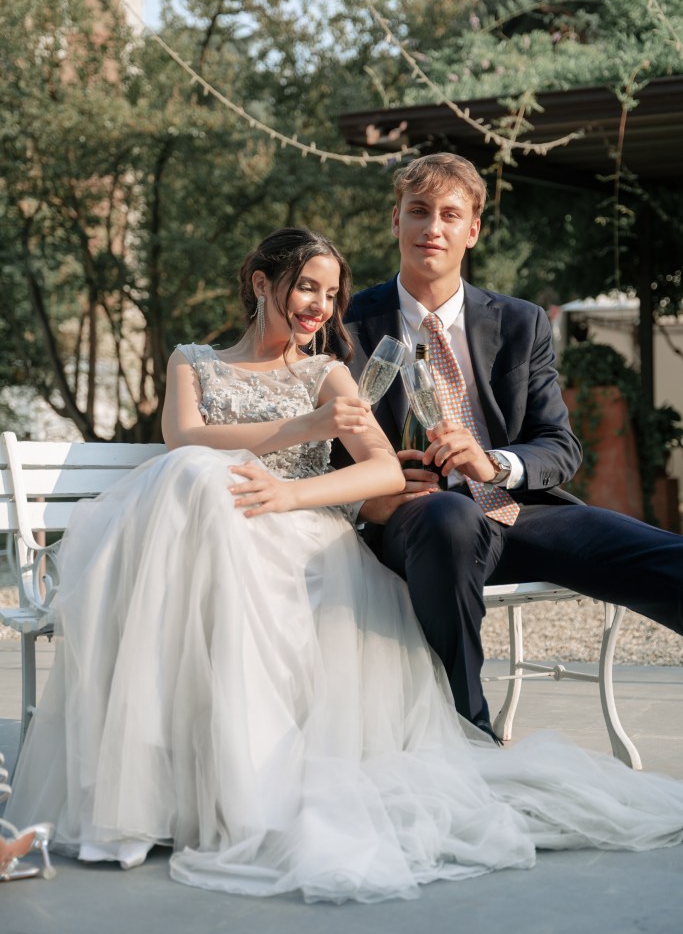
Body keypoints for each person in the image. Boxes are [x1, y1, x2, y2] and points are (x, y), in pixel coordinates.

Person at [6, 226, 683, 905]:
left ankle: (244, 786)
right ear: (261, 284)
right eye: (306, 287)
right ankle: (174, 789)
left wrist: (290, 492)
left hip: (300, 532)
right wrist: (308, 428)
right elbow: (186, 436)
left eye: (331, 294)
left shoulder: (328, 372)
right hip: (209, 538)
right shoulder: (192, 361)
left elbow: (386, 468)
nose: (320, 307)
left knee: (209, 490)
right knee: (195, 475)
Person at [336, 152, 683, 739]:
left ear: (472, 230)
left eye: (450, 214)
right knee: (446, 514)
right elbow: (317, 447)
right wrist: (363, 500)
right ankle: (470, 736)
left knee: (663, 557)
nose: (433, 228)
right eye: (418, 212)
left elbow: (559, 446)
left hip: (515, 512)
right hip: (413, 520)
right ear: (395, 220)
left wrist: (494, 462)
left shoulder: (522, 323)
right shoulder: (345, 323)